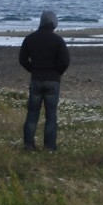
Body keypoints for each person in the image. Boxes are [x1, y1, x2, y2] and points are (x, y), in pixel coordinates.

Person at [19, 10, 70, 151]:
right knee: (51, 116)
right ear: (53, 24)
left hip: (36, 79)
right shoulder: (58, 40)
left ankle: (28, 145)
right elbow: (65, 61)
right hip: (53, 81)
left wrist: (33, 70)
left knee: (32, 114)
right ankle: (49, 146)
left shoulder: (30, 39)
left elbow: (22, 60)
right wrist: (56, 73)